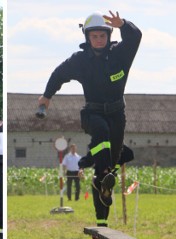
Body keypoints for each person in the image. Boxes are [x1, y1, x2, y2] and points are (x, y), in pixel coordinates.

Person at [38, 10, 141, 225]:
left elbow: (135, 37)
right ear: (87, 37)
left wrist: (123, 24)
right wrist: (47, 96)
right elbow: (58, 75)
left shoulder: (120, 54)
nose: (98, 40)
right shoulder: (79, 60)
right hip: (92, 114)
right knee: (101, 133)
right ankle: (101, 173)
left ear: (109, 36)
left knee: (107, 170)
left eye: (102, 36)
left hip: (117, 114)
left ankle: (101, 219)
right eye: (94, 36)